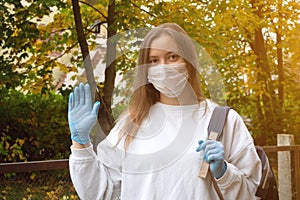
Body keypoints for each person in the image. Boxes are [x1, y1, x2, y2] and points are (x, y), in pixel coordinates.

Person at [68, 23, 262, 200]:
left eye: (172, 57)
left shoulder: (224, 120)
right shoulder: (132, 123)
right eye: (153, 60)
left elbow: (250, 191)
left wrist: (224, 173)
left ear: (189, 62)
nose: (163, 67)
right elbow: (100, 192)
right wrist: (80, 143)